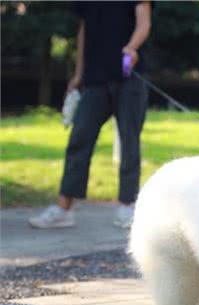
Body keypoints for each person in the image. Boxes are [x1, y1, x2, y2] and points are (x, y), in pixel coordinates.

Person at [29, 1, 152, 229]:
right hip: (95, 79)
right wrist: (79, 74)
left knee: (129, 142)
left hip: (129, 78)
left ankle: (127, 206)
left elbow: (144, 22)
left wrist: (132, 47)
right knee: (79, 138)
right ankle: (64, 208)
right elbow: (83, 31)